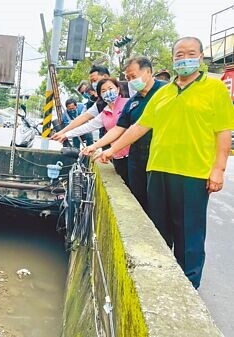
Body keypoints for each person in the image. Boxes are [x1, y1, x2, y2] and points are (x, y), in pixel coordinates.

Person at [95, 37, 234, 289]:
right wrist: (111, 149)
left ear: (201, 57)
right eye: (179, 54)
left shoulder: (214, 90)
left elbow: (223, 132)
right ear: (172, 58)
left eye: (190, 53)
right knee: (158, 229)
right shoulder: (164, 93)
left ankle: (188, 287)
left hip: (193, 173)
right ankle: (161, 279)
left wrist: (218, 169)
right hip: (157, 170)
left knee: (188, 233)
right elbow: (138, 127)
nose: (184, 58)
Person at [82, 56, 167, 211]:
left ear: (148, 72)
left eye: (133, 76)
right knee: (137, 201)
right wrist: (96, 146)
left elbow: (140, 128)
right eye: (128, 78)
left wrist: (110, 150)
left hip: (160, 158)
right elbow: (119, 128)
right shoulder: (133, 101)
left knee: (158, 206)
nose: (131, 81)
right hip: (136, 158)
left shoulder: (165, 92)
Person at [55, 78, 130, 184]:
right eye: (103, 91)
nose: (108, 92)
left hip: (133, 155)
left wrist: (94, 146)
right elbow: (88, 126)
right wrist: (66, 134)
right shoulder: (105, 113)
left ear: (117, 89)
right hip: (117, 156)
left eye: (110, 88)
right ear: (100, 95)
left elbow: (122, 129)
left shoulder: (128, 104)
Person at [52, 65, 130, 142]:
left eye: (94, 80)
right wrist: (63, 133)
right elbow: (86, 120)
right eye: (103, 91)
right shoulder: (102, 108)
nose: (93, 84)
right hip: (111, 142)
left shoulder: (129, 93)